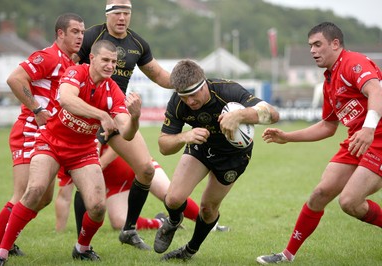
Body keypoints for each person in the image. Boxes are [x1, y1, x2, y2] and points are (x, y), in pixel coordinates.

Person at [0, 40, 140, 265]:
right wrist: (101, 115)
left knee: (98, 207)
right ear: (92, 59)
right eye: (106, 60)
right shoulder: (75, 72)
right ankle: (0, 254)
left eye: (113, 62)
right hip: (51, 143)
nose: (110, 66)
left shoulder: (113, 91)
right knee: (34, 191)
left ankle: (82, 248)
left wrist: (135, 118)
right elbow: (67, 100)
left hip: (83, 152)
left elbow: (126, 132)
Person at [256, 22, 382, 264]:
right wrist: (287, 137)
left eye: (317, 44)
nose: (313, 50)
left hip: (376, 137)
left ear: (335, 44)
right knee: (320, 193)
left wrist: (368, 128)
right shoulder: (329, 81)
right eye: (310, 46)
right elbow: (327, 126)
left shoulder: (353, 62)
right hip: (357, 139)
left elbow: (376, 91)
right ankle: (287, 255)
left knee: (349, 202)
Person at [153, 59, 280, 261]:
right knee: (173, 199)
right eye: (184, 97)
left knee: (208, 208)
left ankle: (189, 251)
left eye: (194, 94)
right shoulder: (178, 103)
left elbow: (274, 114)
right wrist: (183, 137)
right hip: (201, 148)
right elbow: (163, 146)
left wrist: (239, 115)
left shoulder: (228, 91)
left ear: (204, 82)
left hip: (233, 156)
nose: (190, 102)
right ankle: (174, 221)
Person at [0, 13, 85, 262]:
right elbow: (14, 79)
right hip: (30, 130)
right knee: (24, 193)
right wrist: (37, 109)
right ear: (60, 33)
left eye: (82, 32)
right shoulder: (48, 56)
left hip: (49, 136)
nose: (80, 36)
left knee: (44, 197)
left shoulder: (70, 64)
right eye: (74, 31)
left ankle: (10, 237)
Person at [72, 0, 173, 250]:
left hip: (117, 112)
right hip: (85, 114)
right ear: (107, 14)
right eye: (117, 13)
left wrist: (186, 81)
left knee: (147, 170)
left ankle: (128, 230)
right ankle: (82, 242)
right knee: (82, 179)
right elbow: (68, 68)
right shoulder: (91, 37)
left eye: (126, 13)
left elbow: (160, 76)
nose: (122, 18)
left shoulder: (138, 44)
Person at [55, 144, 204, 232]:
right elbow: (63, 195)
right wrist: (59, 231)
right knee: (119, 222)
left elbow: (119, 142)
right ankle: (161, 222)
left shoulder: (96, 124)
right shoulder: (69, 153)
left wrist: (100, 163)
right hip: (116, 183)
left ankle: (210, 224)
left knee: (170, 195)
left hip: (138, 165)